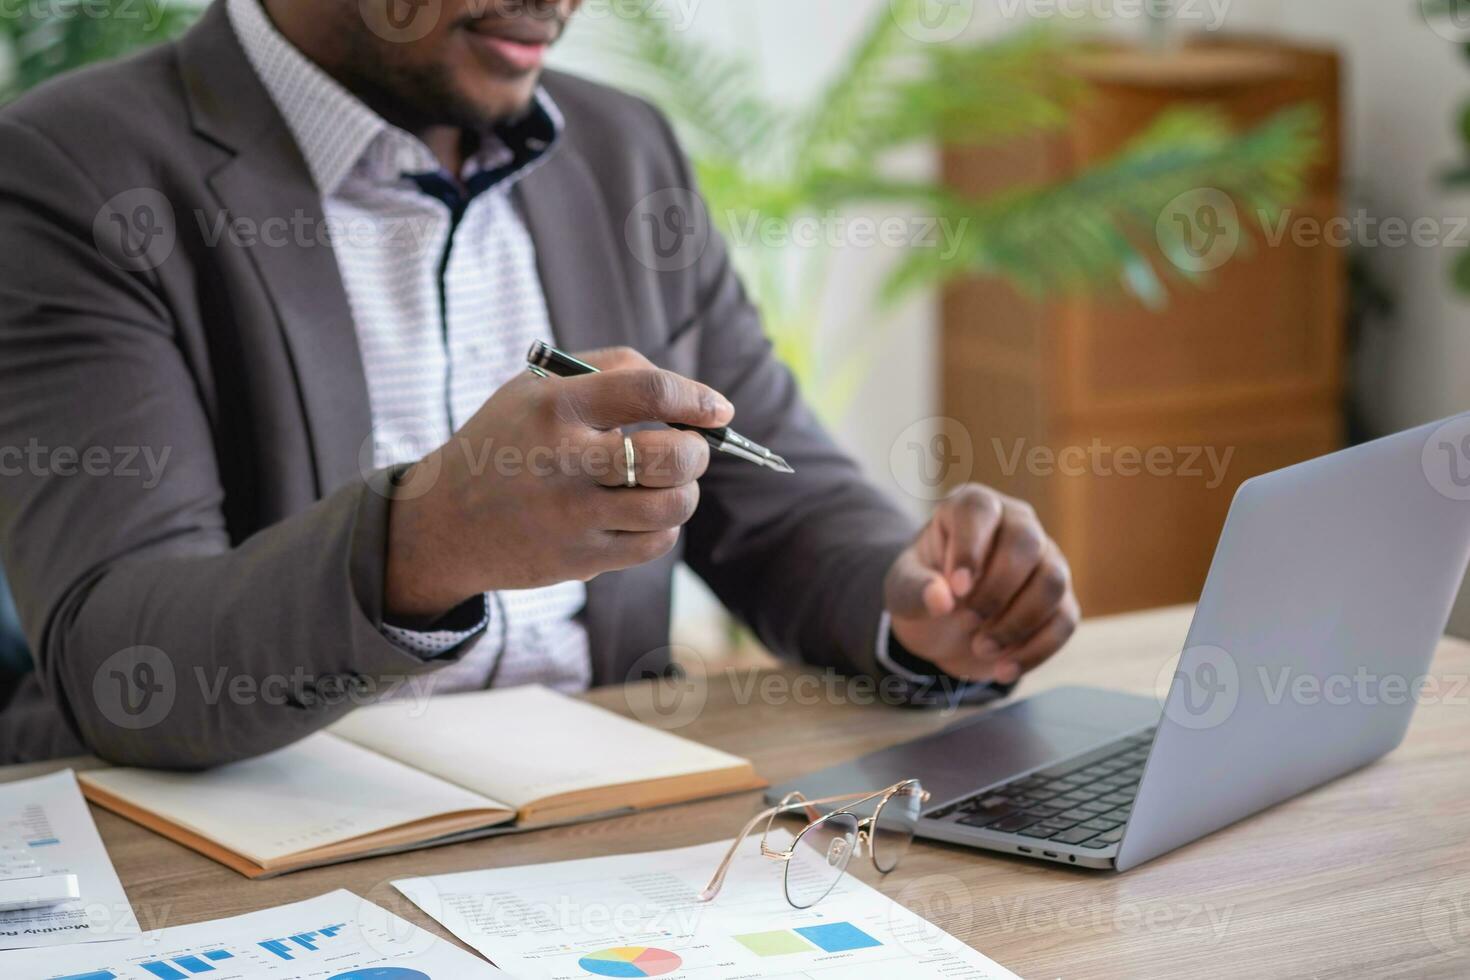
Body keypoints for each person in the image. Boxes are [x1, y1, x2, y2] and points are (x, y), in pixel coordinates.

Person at [0, 0, 1079, 768]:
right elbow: (117, 647)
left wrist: (915, 605)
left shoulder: (622, 151)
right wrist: (426, 540)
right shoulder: (73, 171)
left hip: (588, 832)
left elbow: (778, 500)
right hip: (243, 859)